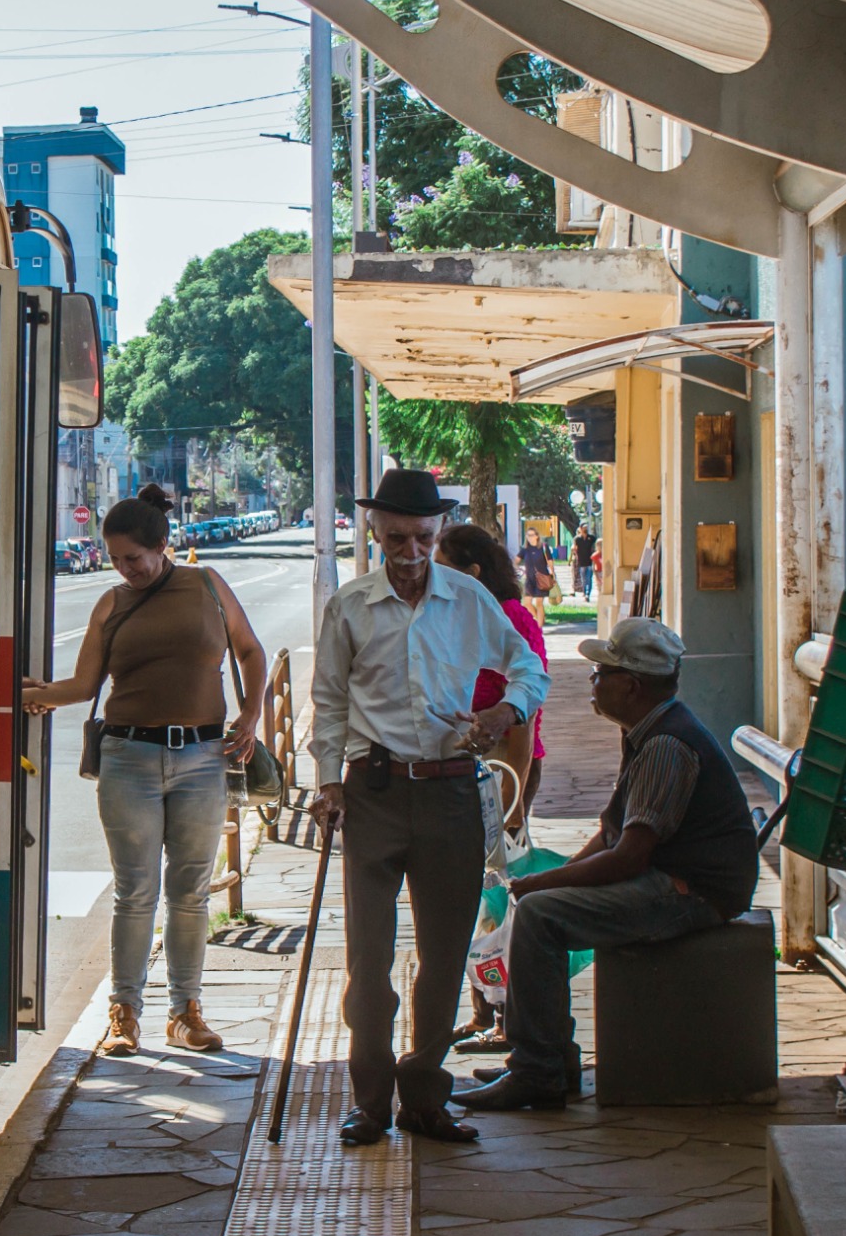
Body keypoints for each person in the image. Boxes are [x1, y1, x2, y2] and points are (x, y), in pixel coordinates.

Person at [310, 468, 549, 1145]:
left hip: (450, 790)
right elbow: (328, 702)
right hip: (374, 791)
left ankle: (425, 1093)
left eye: (420, 537)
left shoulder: (472, 601)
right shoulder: (350, 607)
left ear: (437, 531)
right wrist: (328, 782)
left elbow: (530, 667)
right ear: (375, 533)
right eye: (395, 538)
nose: (410, 552)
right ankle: (371, 1099)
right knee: (369, 962)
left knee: (444, 959)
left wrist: (506, 708)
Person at [455, 618, 763, 1112]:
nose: (592, 681)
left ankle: (539, 1069)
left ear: (632, 686)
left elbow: (628, 856)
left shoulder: (666, 744)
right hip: (671, 877)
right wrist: (543, 881)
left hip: (694, 892)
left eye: (602, 672)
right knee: (538, 904)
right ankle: (548, 1056)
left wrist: (541, 887)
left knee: (541, 918)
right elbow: (614, 832)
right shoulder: (648, 730)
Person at [24, 484, 268, 1057]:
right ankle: (124, 1013)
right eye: (114, 559)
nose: (124, 569)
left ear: (162, 545)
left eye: (133, 558)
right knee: (135, 891)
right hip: (128, 758)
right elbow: (85, 686)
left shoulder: (207, 585)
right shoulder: (110, 603)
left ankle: (186, 1011)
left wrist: (252, 714)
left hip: (204, 758)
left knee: (190, 892)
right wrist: (31, 694)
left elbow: (251, 651)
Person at [434, 521, 549, 1049]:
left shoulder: (508, 621)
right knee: (473, 898)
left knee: (497, 898)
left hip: (503, 773)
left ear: (473, 573)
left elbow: (522, 723)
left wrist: (513, 801)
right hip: (470, 774)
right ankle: (483, 1010)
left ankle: (504, 1018)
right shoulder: (465, 617)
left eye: (443, 565)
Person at [572, 525, 597, 598]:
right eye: (584, 528)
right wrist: (575, 557)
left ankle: (587, 593)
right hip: (581, 562)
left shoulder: (592, 538)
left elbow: (595, 546)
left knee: (589, 578)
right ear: (580, 529)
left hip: (589, 561)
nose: (585, 529)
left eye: (586, 528)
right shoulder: (577, 539)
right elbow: (574, 549)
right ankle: (584, 591)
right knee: (583, 579)